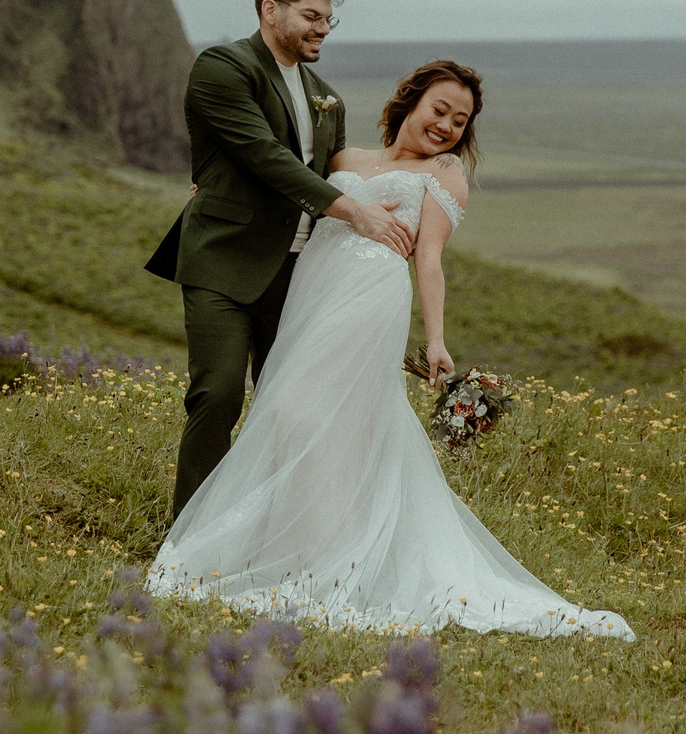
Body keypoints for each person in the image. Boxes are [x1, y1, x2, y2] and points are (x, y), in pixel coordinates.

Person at [148, 58, 633, 640]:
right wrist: (214, 185)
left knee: (300, 409)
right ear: (411, 101)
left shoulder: (443, 172)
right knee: (298, 418)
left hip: (369, 296)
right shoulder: (343, 161)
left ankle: (325, 562)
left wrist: (436, 339)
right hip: (312, 293)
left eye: (460, 120)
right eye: (439, 110)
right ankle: (292, 544)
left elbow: (429, 259)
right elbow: (282, 185)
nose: (446, 126)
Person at [147, 0, 414, 518]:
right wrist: (355, 214)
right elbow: (262, 154)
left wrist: (423, 177)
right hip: (224, 259)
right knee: (218, 394)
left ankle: (270, 533)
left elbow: (339, 172)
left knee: (290, 409)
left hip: (300, 275)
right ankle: (188, 537)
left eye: (329, 19)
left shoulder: (327, 97)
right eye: (312, 16)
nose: (323, 28)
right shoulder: (224, 67)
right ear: (271, 10)